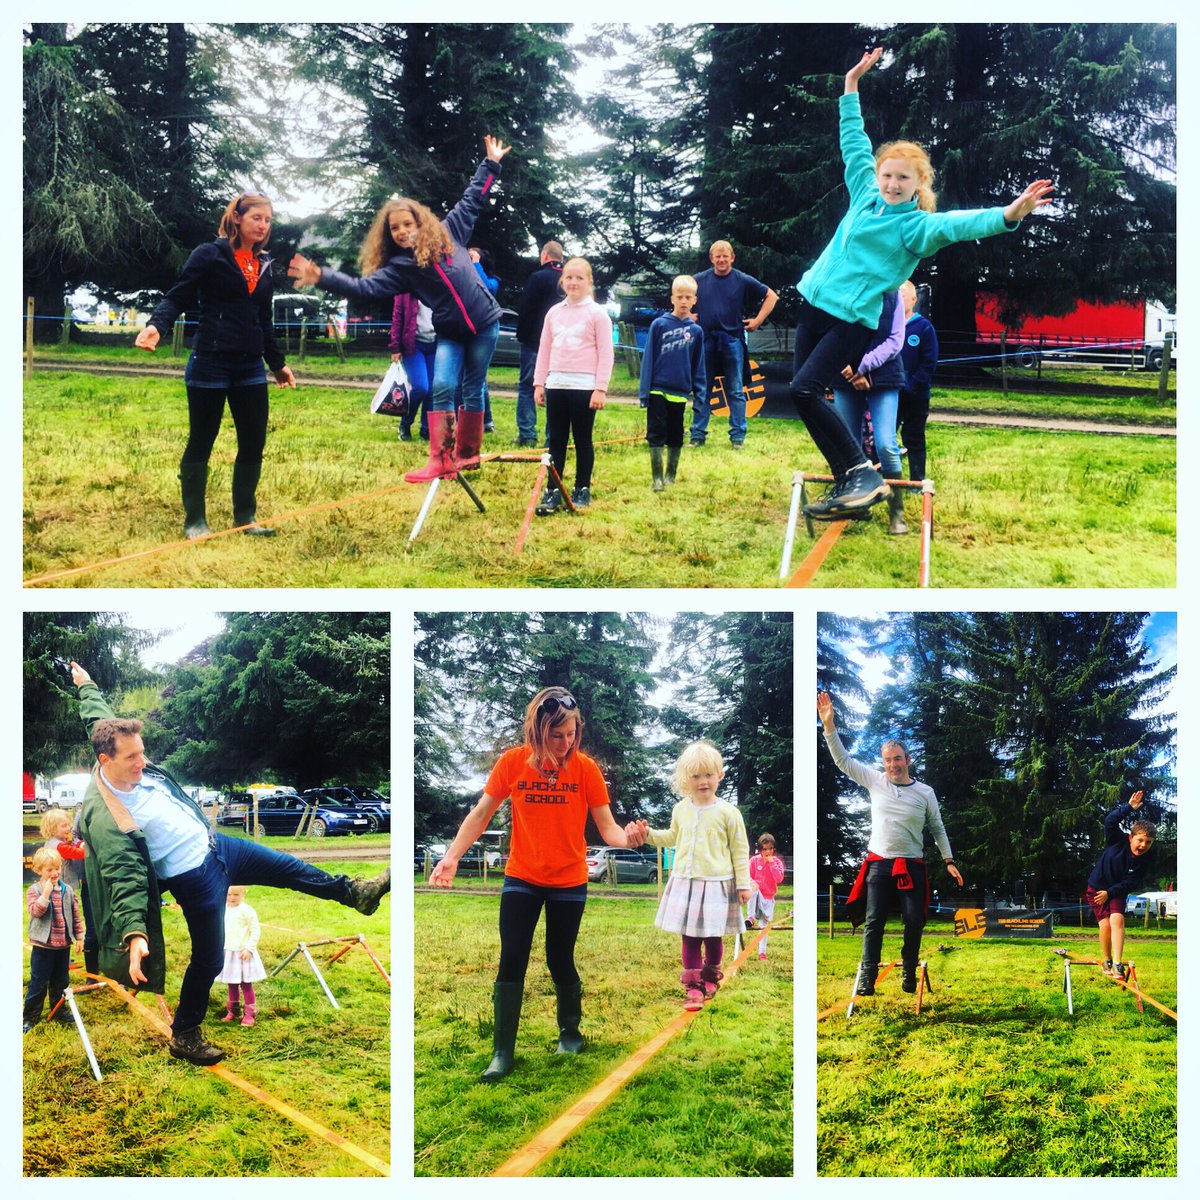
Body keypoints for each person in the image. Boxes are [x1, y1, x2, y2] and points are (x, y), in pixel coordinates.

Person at [69, 661, 391, 1066]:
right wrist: (135, 932)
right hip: (194, 878)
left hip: (218, 846)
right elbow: (123, 874)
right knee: (209, 958)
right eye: (133, 757)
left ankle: (356, 893)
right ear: (105, 760)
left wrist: (86, 684)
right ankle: (185, 1033)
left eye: (142, 751)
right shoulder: (105, 814)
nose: (143, 761)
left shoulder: (115, 745)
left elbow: (97, 716)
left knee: (287, 867)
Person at [790, 48, 1052, 519]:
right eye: (887, 174)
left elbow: (957, 225)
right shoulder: (864, 193)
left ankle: (861, 471)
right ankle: (849, 484)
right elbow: (853, 140)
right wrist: (851, 86)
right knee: (800, 392)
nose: (892, 184)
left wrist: (1009, 215)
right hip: (812, 303)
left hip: (849, 319)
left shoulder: (916, 228)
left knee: (807, 389)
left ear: (918, 183)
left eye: (902, 178)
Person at [428, 687, 642, 1082]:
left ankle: (570, 1033)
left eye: (572, 734)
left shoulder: (586, 770)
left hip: (569, 879)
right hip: (522, 875)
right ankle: (502, 1052)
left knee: (559, 957)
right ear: (537, 728)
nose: (565, 743)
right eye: (556, 734)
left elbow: (609, 828)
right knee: (513, 955)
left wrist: (628, 838)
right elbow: (480, 815)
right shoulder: (512, 764)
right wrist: (452, 855)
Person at [289, 135, 511, 482]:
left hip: (485, 323)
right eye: (395, 228)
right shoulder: (400, 269)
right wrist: (322, 276)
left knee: (472, 387)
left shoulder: (451, 232)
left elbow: (472, 200)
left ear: (419, 221)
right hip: (450, 332)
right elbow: (363, 288)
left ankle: (468, 455)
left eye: (407, 224)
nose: (402, 231)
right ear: (389, 234)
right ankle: (439, 460)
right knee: (441, 386)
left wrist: (491, 163)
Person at [135, 191, 296, 539]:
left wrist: (278, 364)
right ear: (237, 217)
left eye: (268, 220)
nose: (263, 225)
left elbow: (262, 319)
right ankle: (195, 521)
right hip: (210, 361)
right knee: (202, 439)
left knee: (253, 441)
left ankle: (246, 518)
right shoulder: (210, 254)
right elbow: (179, 293)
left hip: (250, 367)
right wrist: (156, 325)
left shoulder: (263, 263)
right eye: (257, 218)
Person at [817, 691, 963, 995]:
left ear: (908, 760)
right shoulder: (875, 781)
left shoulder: (925, 792)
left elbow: (937, 827)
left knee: (914, 919)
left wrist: (948, 861)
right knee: (874, 921)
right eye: (887, 760)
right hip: (879, 863)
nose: (893, 765)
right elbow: (843, 761)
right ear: (883, 763)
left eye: (897, 759)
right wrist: (829, 727)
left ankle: (909, 970)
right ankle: (867, 977)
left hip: (911, 863)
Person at [626, 741, 751, 1011]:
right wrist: (647, 834)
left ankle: (710, 975)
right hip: (685, 882)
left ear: (720, 775)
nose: (703, 782)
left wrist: (744, 884)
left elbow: (740, 850)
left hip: (717, 884)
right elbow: (671, 837)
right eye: (695, 776)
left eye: (708, 775)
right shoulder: (681, 809)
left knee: (712, 936)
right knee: (689, 937)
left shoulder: (729, 813)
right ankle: (692, 987)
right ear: (686, 779)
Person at [533, 258, 614, 514]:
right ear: (562, 281)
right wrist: (539, 383)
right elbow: (544, 349)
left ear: (590, 282)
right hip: (556, 384)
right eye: (569, 277)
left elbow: (606, 353)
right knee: (555, 439)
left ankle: (582, 488)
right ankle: (553, 491)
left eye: (579, 278)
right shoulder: (554, 313)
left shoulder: (597, 314)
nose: (573, 282)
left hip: (584, 388)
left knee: (582, 439)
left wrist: (600, 388)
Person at [830, 289, 909, 534]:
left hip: (883, 373)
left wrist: (862, 367)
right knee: (848, 444)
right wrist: (849, 367)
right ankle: (856, 505)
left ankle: (897, 513)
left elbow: (895, 340)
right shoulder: (844, 288)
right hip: (844, 373)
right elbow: (831, 334)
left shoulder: (894, 295)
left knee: (886, 444)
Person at [691, 241, 778, 449]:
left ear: (732, 258)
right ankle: (697, 436)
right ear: (711, 259)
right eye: (717, 257)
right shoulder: (698, 280)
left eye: (725, 256)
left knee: (736, 390)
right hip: (706, 341)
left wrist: (758, 321)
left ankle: (738, 437)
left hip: (733, 340)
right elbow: (680, 295)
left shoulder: (742, 279)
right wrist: (687, 315)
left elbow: (772, 296)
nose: (721, 260)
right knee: (703, 390)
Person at [638, 275, 706, 492]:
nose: (684, 301)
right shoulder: (659, 325)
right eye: (680, 297)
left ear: (694, 300)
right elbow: (648, 358)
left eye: (688, 297)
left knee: (676, 434)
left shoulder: (696, 331)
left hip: (680, 392)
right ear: (672, 299)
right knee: (656, 432)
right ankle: (656, 477)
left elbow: (699, 365)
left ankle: (671, 474)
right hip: (658, 388)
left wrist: (700, 395)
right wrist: (644, 392)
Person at [1085, 791, 1155, 981]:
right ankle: (1106, 959)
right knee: (1106, 924)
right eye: (1140, 840)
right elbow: (1109, 821)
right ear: (1131, 837)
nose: (1143, 845)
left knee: (1117, 920)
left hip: (1115, 891)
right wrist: (1128, 808)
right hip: (1097, 889)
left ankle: (1117, 963)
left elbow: (1132, 882)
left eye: (1148, 842)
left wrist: (1111, 892)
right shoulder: (1117, 839)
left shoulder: (1146, 858)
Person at [24, 848, 84, 1033]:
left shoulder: (68, 890)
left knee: (61, 980)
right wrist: (46, 894)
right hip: (43, 947)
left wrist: (79, 937)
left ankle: (59, 1011)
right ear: (38, 871)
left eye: (57, 868)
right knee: (39, 981)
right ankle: (30, 1016)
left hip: (63, 945)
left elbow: (75, 915)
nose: (55, 873)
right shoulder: (34, 891)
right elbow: (36, 911)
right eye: (49, 870)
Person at [40, 807, 99, 979]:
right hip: (59, 891)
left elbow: (74, 843)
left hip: (59, 890)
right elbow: (81, 852)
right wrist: (97, 845)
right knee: (62, 922)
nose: (69, 829)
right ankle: (60, 957)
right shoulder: (59, 846)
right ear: (52, 829)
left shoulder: (59, 842)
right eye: (64, 826)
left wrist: (76, 840)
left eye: (68, 824)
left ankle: (63, 957)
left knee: (63, 922)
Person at [515, 242, 565, 446]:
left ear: (544, 256)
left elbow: (526, 311)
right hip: (560, 345)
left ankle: (527, 434)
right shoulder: (567, 280)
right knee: (556, 389)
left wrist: (523, 337)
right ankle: (552, 437)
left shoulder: (537, 278)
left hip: (534, 343)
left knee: (527, 387)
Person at [896, 279, 939, 483]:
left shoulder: (924, 328)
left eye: (903, 297)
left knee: (914, 436)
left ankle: (916, 480)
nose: (899, 301)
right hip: (891, 392)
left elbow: (929, 362)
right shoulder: (888, 325)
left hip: (916, 394)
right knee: (882, 435)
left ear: (913, 299)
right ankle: (883, 478)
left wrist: (912, 384)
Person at [217, 886, 266, 1026]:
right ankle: (233, 1011)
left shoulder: (247, 911)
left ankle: (250, 1013)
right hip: (228, 951)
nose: (232, 898)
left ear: (244, 893)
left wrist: (249, 949)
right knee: (231, 983)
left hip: (243, 953)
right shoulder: (223, 908)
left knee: (245, 983)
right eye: (229, 894)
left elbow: (255, 931)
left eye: (236, 895)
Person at [387, 292, 432, 443]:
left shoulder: (441, 282)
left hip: (437, 345)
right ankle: (405, 424)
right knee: (421, 387)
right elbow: (397, 317)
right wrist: (395, 348)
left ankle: (426, 431)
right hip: (413, 346)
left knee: (433, 390)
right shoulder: (405, 289)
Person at [468, 247, 499, 432]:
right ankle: (485, 421)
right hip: (467, 331)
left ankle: (483, 422)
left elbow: (486, 288)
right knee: (477, 381)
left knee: (477, 381)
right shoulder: (465, 280)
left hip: (483, 331)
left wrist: (476, 263)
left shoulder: (494, 281)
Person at [747, 833, 785, 961]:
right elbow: (747, 876)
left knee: (764, 924)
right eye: (765, 849)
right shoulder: (753, 861)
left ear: (773, 849)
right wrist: (752, 881)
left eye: (770, 849)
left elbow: (779, 879)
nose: (768, 852)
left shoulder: (777, 862)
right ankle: (750, 917)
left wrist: (772, 863)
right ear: (760, 849)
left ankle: (762, 952)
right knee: (753, 888)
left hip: (768, 898)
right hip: (756, 895)